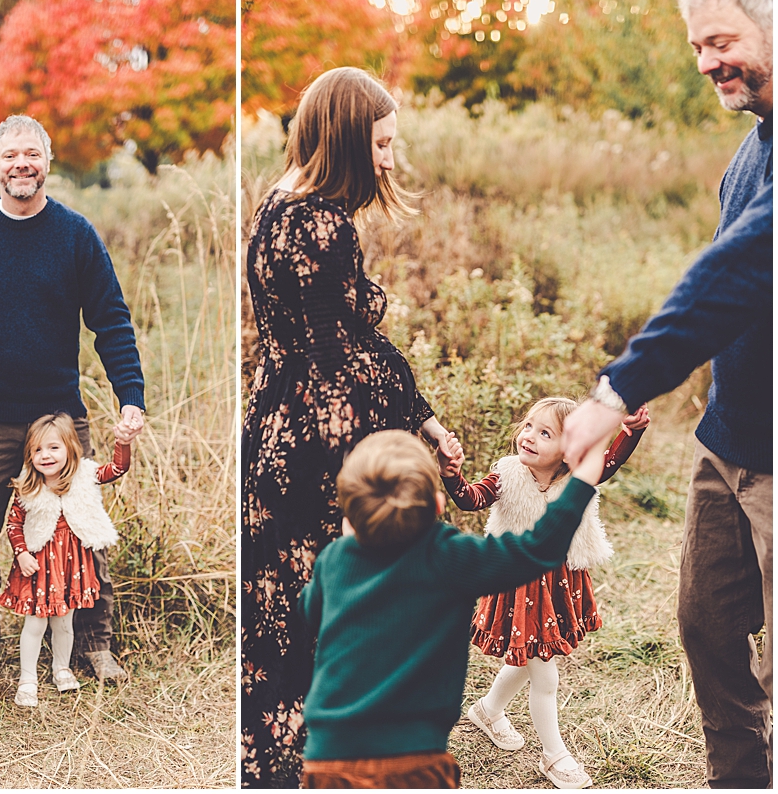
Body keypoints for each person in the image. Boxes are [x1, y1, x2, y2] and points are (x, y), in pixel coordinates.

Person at [560, 0, 772, 787]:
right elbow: (725, 290)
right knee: (709, 633)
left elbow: (743, 268)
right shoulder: (751, 149)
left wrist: (616, 388)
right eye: (695, 47)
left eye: (719, 41)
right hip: (725, 447)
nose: (705, 63)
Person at [241, 67, 458, 787]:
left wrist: (421, 414)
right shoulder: (323, 224)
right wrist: (412, 436)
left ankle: (281, 763)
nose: (391, 160)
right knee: (332, 619)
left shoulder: (277, 204)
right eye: (383, 144)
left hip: (273, 433)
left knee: (277, 618)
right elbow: (346, 364)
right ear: (345, 139)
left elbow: (330, 344)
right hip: (319, 450)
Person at [0, 115, 145, 688]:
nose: (21, 165)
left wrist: (131, 394)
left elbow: (111, 321)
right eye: (10, 156)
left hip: (58, 415)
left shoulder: (75, 235)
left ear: (48, 162)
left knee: (82, 523)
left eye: (32, 154)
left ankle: (94, 643)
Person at [297, 429, 612, 789]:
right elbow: (539, 548)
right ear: (438, 506)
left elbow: (307, 622)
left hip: (326, 755)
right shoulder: (449, 557)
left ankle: (490, 710)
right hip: (412, 758)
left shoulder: (334, 560)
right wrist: (584, 476)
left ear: (348, 511)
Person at [440, 398, 648, 788]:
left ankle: (488, 710)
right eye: (529, 426)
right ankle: (555, 755)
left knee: (528, 656)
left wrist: (631, 431)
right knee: (544, 673)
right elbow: (469, 499)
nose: (530, 436)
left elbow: (611, 460)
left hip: (557, 583)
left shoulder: (579, 476)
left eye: (545, 433)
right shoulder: (506, 474)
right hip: (518, 581)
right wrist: (451, 473)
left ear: (569, 451)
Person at [0, 414, 132, 706]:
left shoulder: (84, 477)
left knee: (64, 623)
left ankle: (62, 668)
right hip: (39, 565)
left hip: (71, 566)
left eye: (53, 448)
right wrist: (21, 553)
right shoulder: (28, 488)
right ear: (29, 455)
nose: (45, 455)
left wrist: (123, 441)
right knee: (34, 624)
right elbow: (13, 524)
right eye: (37, 450)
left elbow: (118, 467)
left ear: (70, 448)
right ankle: (27, 679)